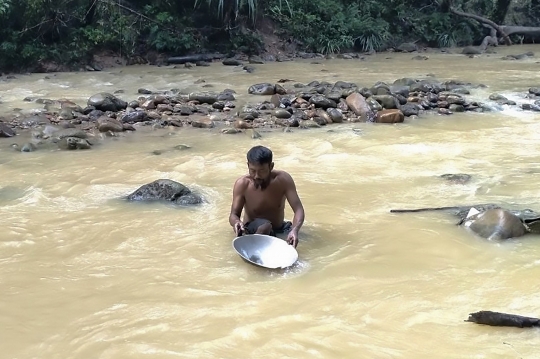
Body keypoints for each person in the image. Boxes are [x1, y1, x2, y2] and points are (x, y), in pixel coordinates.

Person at [229, 145, 305, 247]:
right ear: (248, 166)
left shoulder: (283, 180)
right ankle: (254, 247)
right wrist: (236, 222)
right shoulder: (242, 184)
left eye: (262, 171)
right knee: (265, 226)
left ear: (271, 166)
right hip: (253, 230)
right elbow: (233, 214)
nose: (256, 176)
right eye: (252, 171)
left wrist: (295, 230)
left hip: (279, 228)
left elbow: (298, 209)